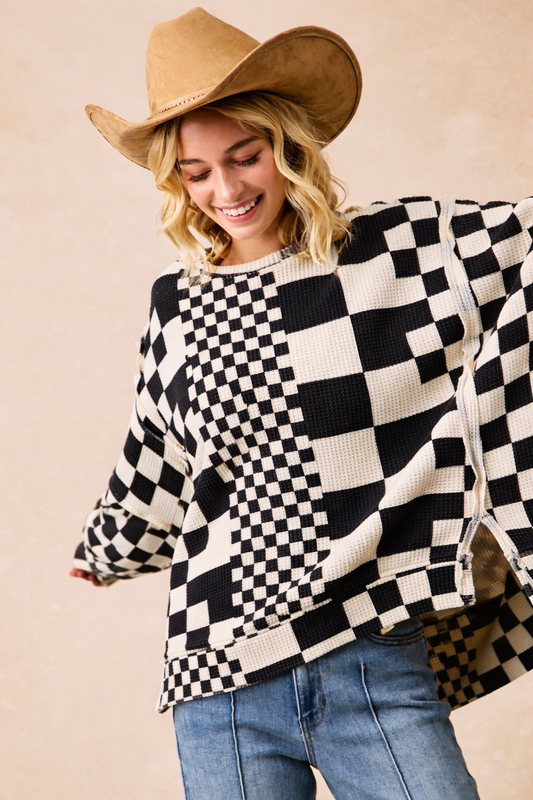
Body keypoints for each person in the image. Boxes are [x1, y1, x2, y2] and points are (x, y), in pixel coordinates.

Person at [71, 7, 533, 800]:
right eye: (196, 171)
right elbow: (159, 453)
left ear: (286, 144)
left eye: (244, 157)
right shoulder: (176, 305)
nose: (225, 190)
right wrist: (106, 546)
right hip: (217, 673)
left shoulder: (409, 250)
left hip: (369, 652)